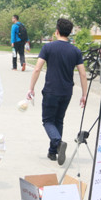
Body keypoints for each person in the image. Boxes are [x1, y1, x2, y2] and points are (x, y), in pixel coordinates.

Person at [27, 18, 87, 164]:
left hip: (51, 91)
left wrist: (31, 88)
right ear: (70, 32)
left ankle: (58, 142)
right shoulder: (75, 50)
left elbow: (37, 68)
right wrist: (84, 94)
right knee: (58, 120)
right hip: (67, 92)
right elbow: (83, 74)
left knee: (48, 120)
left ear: (57, 31)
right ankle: (52, 152)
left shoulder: (48, 47)